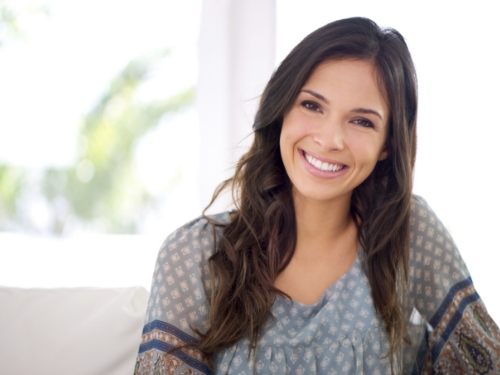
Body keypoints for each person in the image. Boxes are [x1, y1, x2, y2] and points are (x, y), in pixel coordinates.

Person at [134, 17, 500, 374]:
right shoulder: (193, 257)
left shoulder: (408, 233)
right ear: (282, 111)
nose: (330, 140)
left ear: (387, 145)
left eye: (362, 121)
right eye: (312, 105)